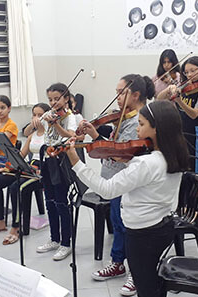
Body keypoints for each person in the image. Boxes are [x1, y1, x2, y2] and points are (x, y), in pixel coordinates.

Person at [67, 100, 190, 297]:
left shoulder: (145, 163)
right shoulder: (173, 154)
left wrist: (76, 162)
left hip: (142, 234)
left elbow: (107, 190)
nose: (137, 130)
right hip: (163, 226)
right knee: (151, 280)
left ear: (156, 128)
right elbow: (149, 179)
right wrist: (128, 162)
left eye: (141, 124)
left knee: (146, 286)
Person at [76, 74, 152, 296]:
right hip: (113, 178)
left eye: (121, 93)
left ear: (136, 95)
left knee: (129, 227)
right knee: (118, 223)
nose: (117, 97)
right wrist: (94, 133)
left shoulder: (138, 120)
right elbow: (113, 143)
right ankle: (118, 262)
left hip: (125, 181)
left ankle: (135, 272)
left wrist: (97, 139)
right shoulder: (122, 117)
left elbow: (120, 150)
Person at [0, 102, 50, 245]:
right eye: (34, 114)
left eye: (40, 115)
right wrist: (8, 168)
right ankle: (0, 221)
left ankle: (16, 227)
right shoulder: (32, 135)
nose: (36, 118)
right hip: (29, 168)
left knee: (16, 188)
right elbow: (21, 154)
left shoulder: (50, 133)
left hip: (44, 170)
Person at [36, 83, 76, 261]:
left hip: (61, 163)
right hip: (47, 160)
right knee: (50, 202)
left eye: (57, 99)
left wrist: (56, 124)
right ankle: (54, 238)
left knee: (61, 203)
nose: (53, 102)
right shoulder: (48, 114)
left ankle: (66, 243)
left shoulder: (71, 117)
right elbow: (30, 131)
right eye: (50, 99)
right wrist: (36, 123)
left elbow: (70, 135)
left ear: (66, 98)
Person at [157, 56, 198, 173]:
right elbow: (159, 99)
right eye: (187, 72)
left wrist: (179, 101)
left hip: (196, 131)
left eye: (193, 71)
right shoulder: (185, 86)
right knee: (181, 164)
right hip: (181, 129)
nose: (189, 75)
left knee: (194, 166)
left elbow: (194, 114)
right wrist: (169, 89)